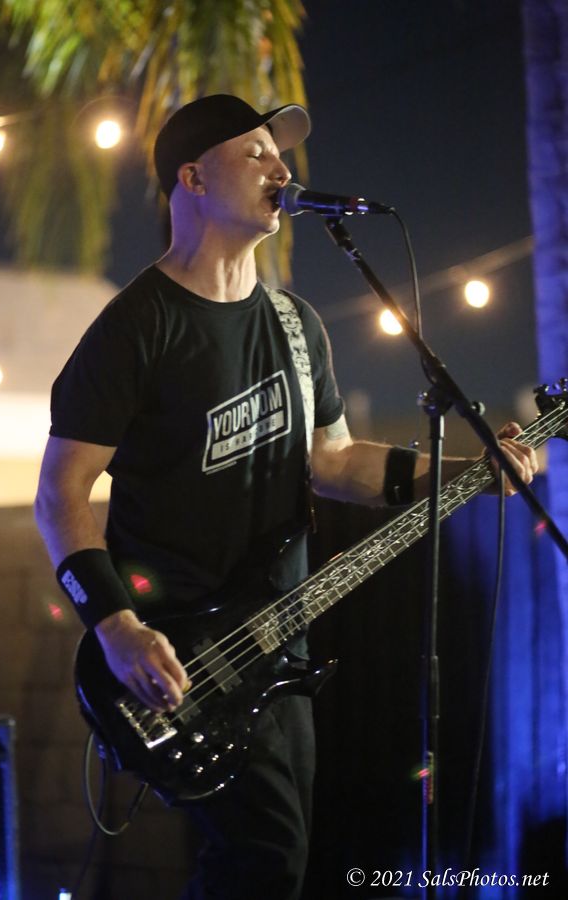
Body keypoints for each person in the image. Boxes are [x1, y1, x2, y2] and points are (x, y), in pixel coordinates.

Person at [34, 94, 538, 900]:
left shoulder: (298, 327)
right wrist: (117, 627)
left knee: (276, 861)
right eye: (256, 152)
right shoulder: (135, 329)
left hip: (277, 643)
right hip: (180, 654)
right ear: (194, 179)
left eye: (281, 153)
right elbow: (60, 492)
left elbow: (333, 462)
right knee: (265, 859)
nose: (282, 168)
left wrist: (470, 472)